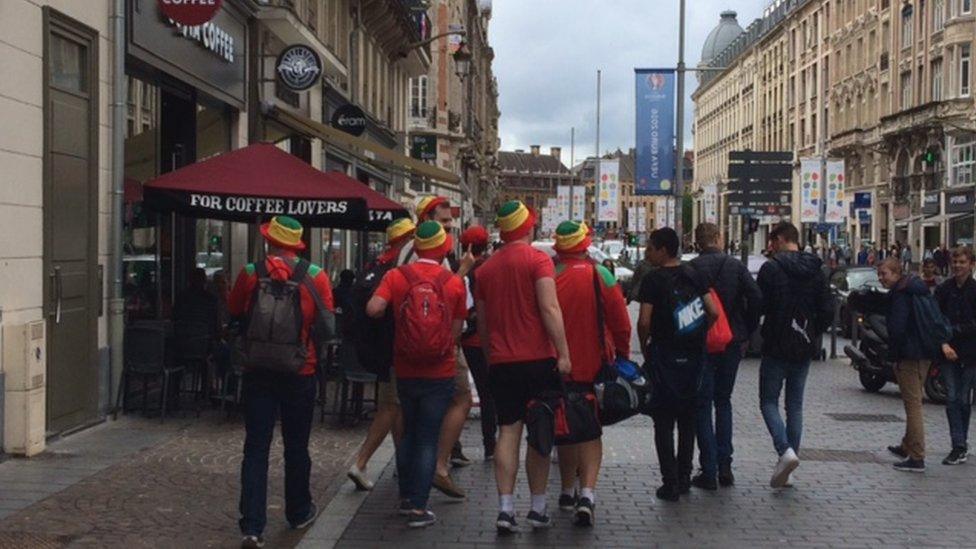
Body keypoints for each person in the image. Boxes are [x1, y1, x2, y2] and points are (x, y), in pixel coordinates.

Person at [228, 216, 334, 548]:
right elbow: (328, 327)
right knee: (296, 445)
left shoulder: (250, 272)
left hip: (258, 369)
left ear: (269, 240)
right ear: (298, 243)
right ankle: (299, 510)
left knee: (256, 448)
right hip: (300, 370)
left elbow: (234, 310)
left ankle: (252, 526)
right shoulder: (315, 276)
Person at [474, 200, 572, 533]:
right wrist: (563, 352)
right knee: (540, 433)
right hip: (538, 360)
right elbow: (550, 308)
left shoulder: (485, 269)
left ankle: (505, 508)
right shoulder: (538, 260)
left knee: (508, 431)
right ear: (528, 227)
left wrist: (490, 357)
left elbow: (483, 324)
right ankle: (538, 507)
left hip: (502, 362)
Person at [365, 221, 467, 528]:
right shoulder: (452, 282)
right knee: (427, 437)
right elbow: (457, 329)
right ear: (442, 248)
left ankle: (406, 497)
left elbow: (373, 308)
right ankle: (419, 509)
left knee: (408, 432)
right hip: (440, 370)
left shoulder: (397, 276)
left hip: (405, 368)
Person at [552, 221, 631, 527]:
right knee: (590, 428)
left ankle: (566, 490)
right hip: (594, 363)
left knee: (565, 426)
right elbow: (621, 322)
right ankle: (587, 494)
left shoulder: (549, 274)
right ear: (585, 244)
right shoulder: (602, 274)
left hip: (558, 364)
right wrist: (623, 355)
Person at [638, 228, 717, 502]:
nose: (648, 252)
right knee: (688, 418)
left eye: (651, 247)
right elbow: (714, 311)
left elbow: (645, 320)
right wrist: (699, 333)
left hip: (664, 354)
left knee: (663, 420)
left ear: (663, 250)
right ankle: (684, 476)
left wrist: (645, 345)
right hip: (694, 356)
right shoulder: (695, 274)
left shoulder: (653, 280)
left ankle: (669, 482)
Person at [757, 222, 832, 489]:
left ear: (779, 239)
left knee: (768, 402)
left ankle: (784, 451)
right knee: (795, 406)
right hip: (804, 344)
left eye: (771, 241)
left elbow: (760, 305)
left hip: (776, 344)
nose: (770, 246)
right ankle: (789, 468)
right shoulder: (817, 269)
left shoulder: (771, 269)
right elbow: (827, 310)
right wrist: (812, 332)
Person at [689, 223, 762, 490]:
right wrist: (746, 330)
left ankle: (707, 469)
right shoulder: (734, 266)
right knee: (724, 401)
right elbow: (756, 297)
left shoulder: (692, 268)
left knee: (702, 404)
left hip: (702, 342)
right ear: (719, 238)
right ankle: (725, 465)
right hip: (732, 341)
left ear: (698, 242)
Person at [347, 217, 416, 491]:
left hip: (378, 349)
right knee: (389, 407)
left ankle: (403, 463)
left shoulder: (376, 263)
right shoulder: (398, 266)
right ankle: (361, 462)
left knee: (395, 405)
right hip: (394, 348)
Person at [878, 258, 931, 472]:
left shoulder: (900, 295)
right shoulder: (915, 287)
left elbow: (897, 329)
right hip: (924, 351)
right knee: (915, 400)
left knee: (913, 405)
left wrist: (893, 353)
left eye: (884, 274)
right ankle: (907, 445)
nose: (881, 278)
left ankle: (917, 456)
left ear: (896, 273)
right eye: (879, 274)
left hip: (909, 354)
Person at [458, 225, 497, 460]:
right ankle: (489, 444)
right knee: (487, 394)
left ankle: (453, 447)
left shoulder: (458, 270)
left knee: (457, 396)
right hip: (484, 340)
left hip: (462, 339)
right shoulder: (490, 270)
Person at [935, 247, 976, 466]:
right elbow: (936, 318)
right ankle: (958, 445)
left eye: (962, 262)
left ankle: (961, 444)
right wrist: (943, 342)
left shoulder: (974, 290)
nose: (958, 266)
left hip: (970, 353)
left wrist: (954, 331)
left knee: (963, 398)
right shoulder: (944, 290)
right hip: (947, 351)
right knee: (952, 398)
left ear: (971, 264)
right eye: (955, 262)